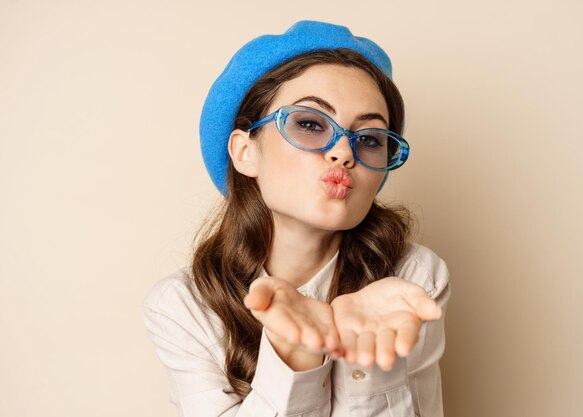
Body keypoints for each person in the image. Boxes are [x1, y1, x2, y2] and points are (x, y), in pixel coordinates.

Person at [143, 20, 452, 417]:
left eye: (370, 139)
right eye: (309, 123)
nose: (343, 152)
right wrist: (297, 357)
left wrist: (367, 362)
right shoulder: (184, 305)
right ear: (244, 152)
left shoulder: (413, 278)